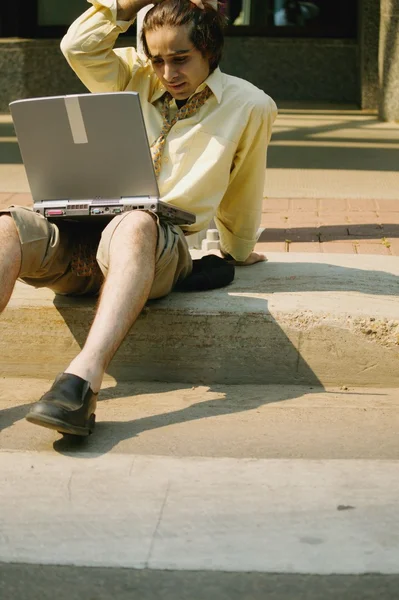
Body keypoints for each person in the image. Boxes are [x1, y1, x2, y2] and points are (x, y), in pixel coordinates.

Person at [0, 0, 277, 437]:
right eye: (158, 59)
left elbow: (244, 186)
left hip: (155, 243)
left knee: (137, 221)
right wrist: (126, 4)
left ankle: (78, 385)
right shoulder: (131, 75)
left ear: (211, 49)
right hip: (81, 238)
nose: (168, 73)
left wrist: (237, 250)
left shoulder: (251, 105)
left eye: (181, 58)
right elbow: (77, 45)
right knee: (5, 226)